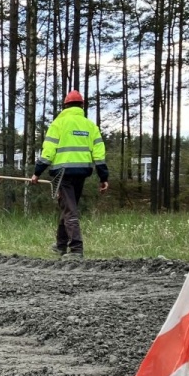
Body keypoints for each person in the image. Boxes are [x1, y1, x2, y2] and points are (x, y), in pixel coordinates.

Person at [31, 90, 110, 260]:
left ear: (65, 106)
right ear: (82, 106)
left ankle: (76, 249)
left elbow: (48, 152)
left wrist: (37, 173)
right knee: (68, 207)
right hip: (82, 172)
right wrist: (103, 177)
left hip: (63, 173)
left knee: (70, 210)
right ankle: (60, 245)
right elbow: (99, 154)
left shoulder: (59, 124)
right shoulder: (90, 126)